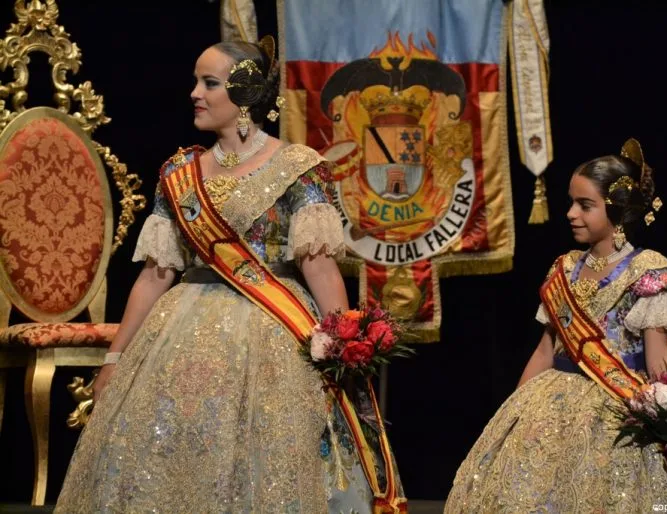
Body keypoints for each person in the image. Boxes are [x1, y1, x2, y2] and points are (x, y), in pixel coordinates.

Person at [55, 37, 406, 513]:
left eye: (210, 83)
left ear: (244, 95)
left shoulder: (297, 167)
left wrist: (345, 347)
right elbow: (155, 277)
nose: (195, 93)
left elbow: (318, 264)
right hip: (177, 333)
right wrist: (115, 360)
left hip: (275, 332)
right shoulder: (179, 173)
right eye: (196, 81)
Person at [444, 140, 667, 513]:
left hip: (616, 407)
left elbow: (658, 359)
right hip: (548, 406)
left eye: (585, 206)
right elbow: (544, 350)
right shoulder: (564, 269)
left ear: (617, 211)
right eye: (571, 202)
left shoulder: (647, 270)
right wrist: (511, 416)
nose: (571, 213)